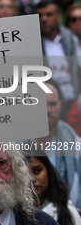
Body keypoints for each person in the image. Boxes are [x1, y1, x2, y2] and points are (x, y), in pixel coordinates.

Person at [33, 79, 81, 210]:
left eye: (53, 104)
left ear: (60, 105)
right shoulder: (15, 145)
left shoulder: (75, 145)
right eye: (42, 104)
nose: (48, 110)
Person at [36, 0, 81, 120]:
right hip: (50, 105)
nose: (44, 19)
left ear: (59, 17)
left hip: (74, 100)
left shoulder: (71, 39)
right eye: (40, 15)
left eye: (49, 14)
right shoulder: (33, 44)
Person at [26, 151, 81, 225]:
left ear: (48, 171)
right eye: (25, 174)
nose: (32, 178)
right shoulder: (12, 215)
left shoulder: (67, 211)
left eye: (37, 171)